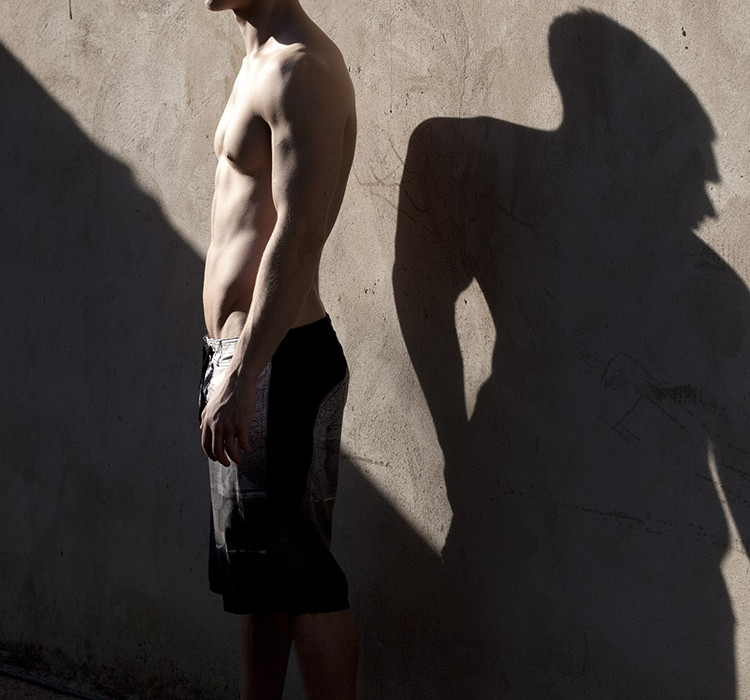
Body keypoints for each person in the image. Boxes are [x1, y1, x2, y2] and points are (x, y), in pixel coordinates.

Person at [197, 0, 358, 696]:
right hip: (244, 358)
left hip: (276, 361)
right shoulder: (259, 58)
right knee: (261, 580)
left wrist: (243, 374)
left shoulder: (301, 69)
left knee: (304, 582)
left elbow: (299, 233)